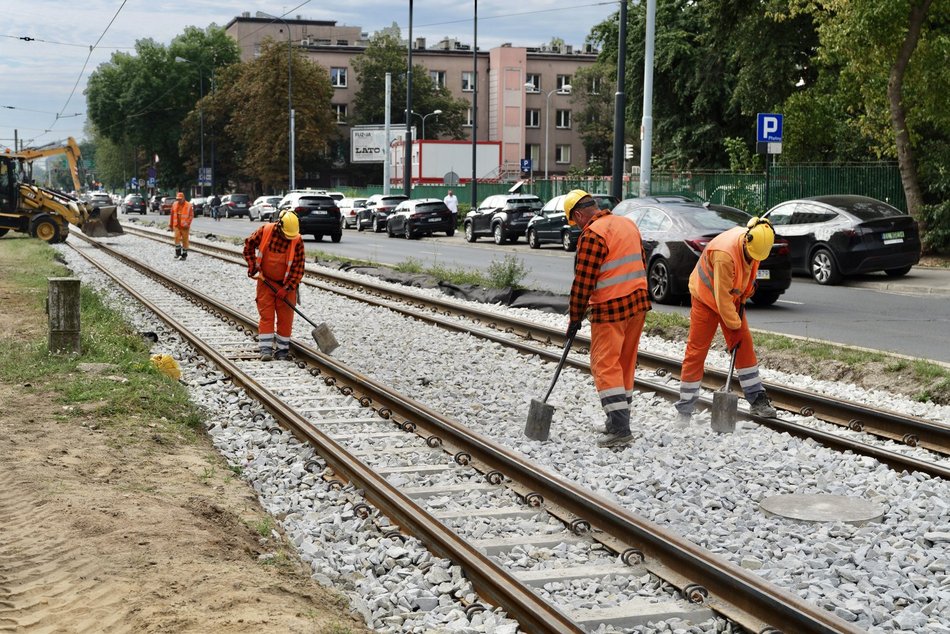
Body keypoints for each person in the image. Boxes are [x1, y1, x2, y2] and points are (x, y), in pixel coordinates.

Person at [565, 189, 652, 448]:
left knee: (604, 364)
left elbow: (583, 282)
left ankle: (621, 430)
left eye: (574, 221)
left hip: (610, 308)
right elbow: (641, 260)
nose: (577, 226)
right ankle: (618, 421)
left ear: (579, 214)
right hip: (638, 303)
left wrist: (574, 318)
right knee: (625, 362)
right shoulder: (627, 224)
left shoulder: (593, 235)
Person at [674, 217, 778, 421]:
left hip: (732, 298)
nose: (754, 258)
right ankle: (685, 407)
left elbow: (748, 275)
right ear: (747, 241)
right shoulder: (725, 254)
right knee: (697, 350)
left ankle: (757, 398)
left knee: (744, 344)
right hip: (706, 298)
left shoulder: (757, 244)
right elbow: (721, 299)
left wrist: (745, 295)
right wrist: (735, 326)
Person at [243, 210, 306, 362]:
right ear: (280, 226)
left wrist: (288, 288)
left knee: (286, 318)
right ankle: (265, 349)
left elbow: (299, 268)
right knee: (267, 315)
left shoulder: (297, 240)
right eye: (286, 235)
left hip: (286, 285)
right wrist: (253, 267)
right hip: (266, 281)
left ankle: (282, 350)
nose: (288, 238)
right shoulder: (266, 230)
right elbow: (249, 245)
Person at [169, 192, 193, 260]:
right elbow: (172, 215)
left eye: (180, 199)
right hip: (177, 225)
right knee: (176, 237)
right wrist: (170, 225)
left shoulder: (189, 205)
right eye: (177, 199)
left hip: (185, 226)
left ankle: (184, 254)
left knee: (185, 240)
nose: (179, 200)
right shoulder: (174, 204)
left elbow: (191, 216)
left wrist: (188, 223)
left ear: (183, 198)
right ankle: (178, 252)